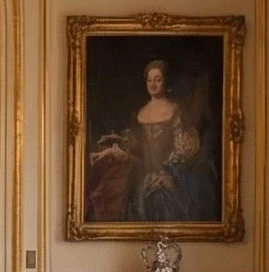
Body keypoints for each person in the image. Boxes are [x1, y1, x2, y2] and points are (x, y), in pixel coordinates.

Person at [85, 56, 218, 225]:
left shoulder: (176, 110)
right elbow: (135, 144)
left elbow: (184, 150)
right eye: (149, 80)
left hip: (174, 174)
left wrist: (164, 173)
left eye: (158, 80)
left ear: (165, 82)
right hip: (142, 172)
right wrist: (116, 142)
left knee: (163, 197)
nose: (153, 84)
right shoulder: (141, 112)